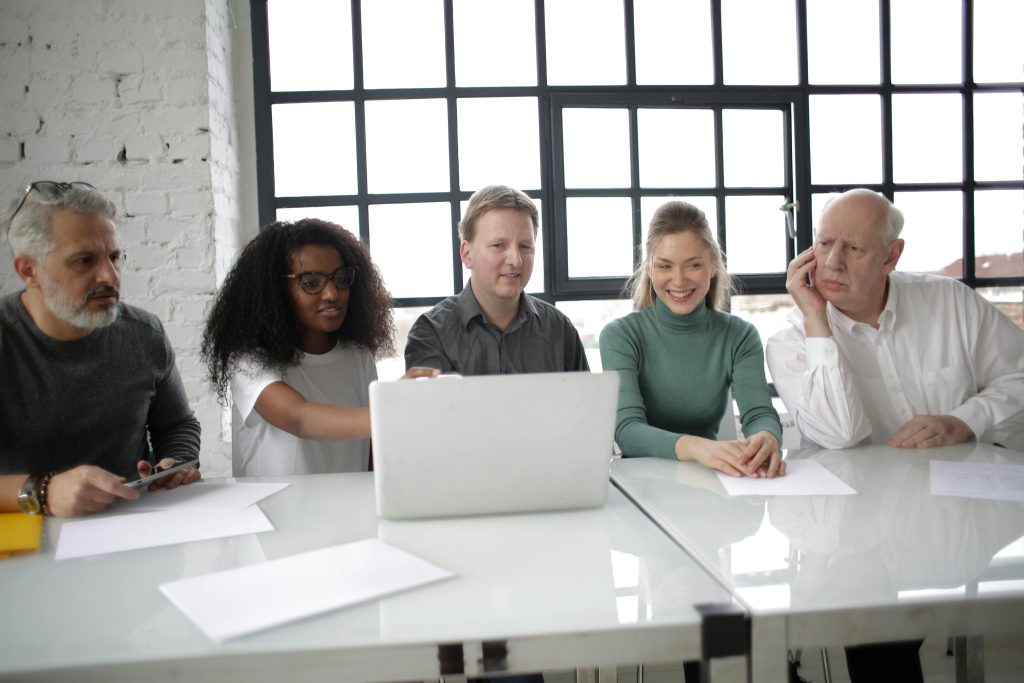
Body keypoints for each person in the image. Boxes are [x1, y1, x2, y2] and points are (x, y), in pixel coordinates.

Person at [766, 188, 1024, 452]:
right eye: (824, 243)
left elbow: (1019, 376)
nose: (833, 262)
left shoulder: (951, 302)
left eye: (854, 248)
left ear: (891, 256)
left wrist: (965, 421)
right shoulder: (790, 342)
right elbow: (839, 436)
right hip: (854, 492)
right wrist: (816, 321)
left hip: (954, 485)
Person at [1, 181, 201, 518]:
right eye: (84, 260)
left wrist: (175, 464)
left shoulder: (144, 334)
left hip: (132, 526)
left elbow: (178, 425)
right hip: (25, 540)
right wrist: (44, 491)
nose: (109, 275)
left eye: (114, 257)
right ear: (29, 270)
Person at [202, 218, 436, 477]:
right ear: (276, 290)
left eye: (341, 278)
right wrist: (391, 408)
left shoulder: (358, 354)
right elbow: (298, 418)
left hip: (347, 511)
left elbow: (371, 450)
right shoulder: (249, 360)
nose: (332, 294)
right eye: (311, 282)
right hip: (273, 514)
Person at [599, 200, 785, 478]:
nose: (679, 280)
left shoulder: (740, 335)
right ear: (650, 269)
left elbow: (759, 414)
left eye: (693, 265)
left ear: (712, 265)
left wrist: (767, 437)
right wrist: (698, 448)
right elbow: (627, 431)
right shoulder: (620, 336)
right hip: (641, 484)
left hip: (713, 480)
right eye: (665, 266)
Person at [404, 184, 589, 374]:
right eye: (499, 245)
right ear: (467, 254)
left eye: (525, 246)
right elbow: (429, 403)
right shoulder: (431, 333)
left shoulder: (560, 329)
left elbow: (588, 402)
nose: (515, 260)